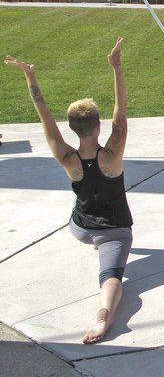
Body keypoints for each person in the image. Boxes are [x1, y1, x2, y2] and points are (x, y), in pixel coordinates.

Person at [5, 38, 133, 345]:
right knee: (111, 277)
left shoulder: (66, 157)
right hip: (114, 231)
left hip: (79, 228)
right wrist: (116, 68)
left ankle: (94, 242)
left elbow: (45, 117)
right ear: (98, 126)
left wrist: (30, 76)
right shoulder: (112, 154)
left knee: (82, 216)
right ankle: (106, 317)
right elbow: (121, 114)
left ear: (73, 127)